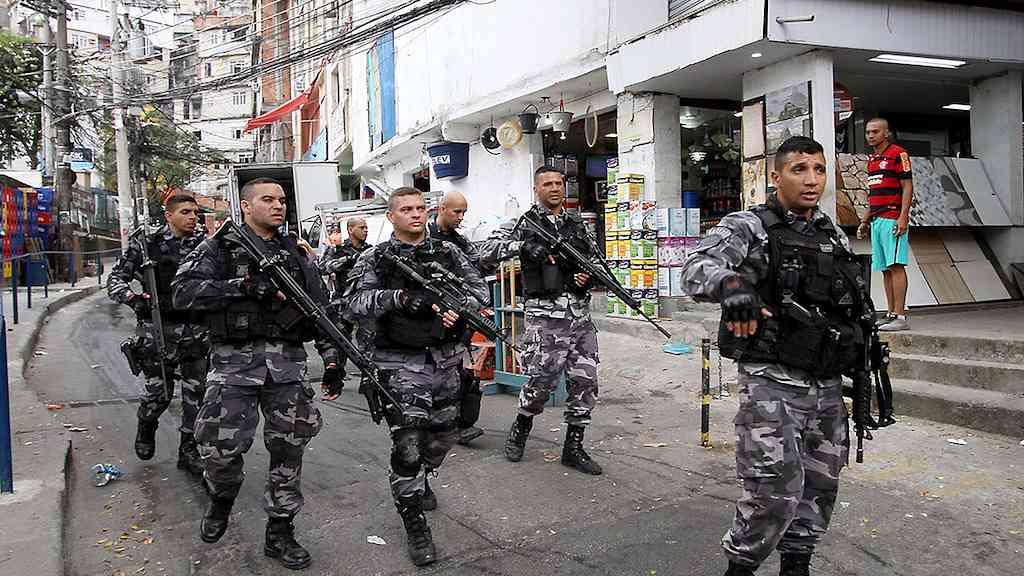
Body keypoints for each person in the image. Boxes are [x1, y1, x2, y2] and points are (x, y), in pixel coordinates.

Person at [682, 136, 872, 576]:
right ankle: (740, 567)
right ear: (776, 176)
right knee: (772, 490)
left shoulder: (830, 232)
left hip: (825, 383)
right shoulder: (749, 226)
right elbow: (695, 269)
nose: (811, 180)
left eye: (819, 170)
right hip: (772, 381)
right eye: (799, 169)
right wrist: (731, 286)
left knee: (820, 485)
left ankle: (796, 565)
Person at [172, 178, 342, 571]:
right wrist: (243, 286)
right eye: (268, 200)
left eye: (282, 200)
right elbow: (182, 292)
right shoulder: (219, 247)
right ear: (246, 206)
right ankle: (222, 497)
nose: (278, 206)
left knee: (289, 450)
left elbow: (320, 311)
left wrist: (333, 360)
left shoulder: (296, 253)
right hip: (233, 366)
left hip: (287, 367)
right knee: (219, 450)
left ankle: (280, 530)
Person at [346, 187, 488, 566]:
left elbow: (480, 291)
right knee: (408, 446)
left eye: (420, 208)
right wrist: (399, 299)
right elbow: (353, 304)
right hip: (399, 364)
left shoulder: (448, 252)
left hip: (446, 360)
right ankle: (415, 523)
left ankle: (422, 477)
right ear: (391, 216)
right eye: (406, 209)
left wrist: (457, 307)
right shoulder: (376, 258)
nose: (415, 214)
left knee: (443, 437)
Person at [496, 165, 603, 476]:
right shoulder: (524, 223)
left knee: (585, 381)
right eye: (548, 184)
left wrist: (587, 277)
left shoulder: (577, 224)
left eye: (559, 183)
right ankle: (521, 425)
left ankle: (574, 447)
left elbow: (597, 261)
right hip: (545, 318)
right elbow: (487, 250)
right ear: (536, 189)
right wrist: (524, 247)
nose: (555, 188)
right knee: (541, 381)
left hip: (579, 317)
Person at [107, 194, 208, 475]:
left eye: (195, 212)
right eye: (185, 212)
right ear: (169, 215)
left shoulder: (204, 244)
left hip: (196, 332)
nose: (193, 217)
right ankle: (147, 424)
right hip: (158, 333)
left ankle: (189, 450)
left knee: (197, 395)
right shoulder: (146, 245)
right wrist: (132, 299)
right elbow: (115, 279)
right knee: (159, 395)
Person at [427, 191, 493, 446]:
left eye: (464, 212)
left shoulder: (460, 241)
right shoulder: (424, 237)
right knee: (434, 373)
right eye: (457, 211)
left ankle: (461, 425)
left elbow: (477, 265)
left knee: (460, 371)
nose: (461, 217)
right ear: (442, 208)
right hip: (430, 314)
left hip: (458, 314)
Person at [858, 117, 914, 331]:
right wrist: (865, 220)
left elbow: (907, 186)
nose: (871, 135)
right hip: (876, 220)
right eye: (868, 132)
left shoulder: (899, 154)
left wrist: (903, 216)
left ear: (887, 133)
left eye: (875, 131)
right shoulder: (872, 159)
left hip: (893, 218)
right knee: (885, 269)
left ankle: (900, 316)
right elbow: (873, 194)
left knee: (896, 266)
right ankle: (890, 313)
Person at [316, 217, 372, 399]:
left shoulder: (370, 250)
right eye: (362, 227)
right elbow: (322, 267)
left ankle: (369, 380)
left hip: (365, 304)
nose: (365, 230)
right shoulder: (338, 250)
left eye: (366, 227)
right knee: (340, 343)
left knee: (369, 344)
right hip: (344, 305)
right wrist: (346, 261)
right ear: (350, 229)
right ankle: (335, 379)